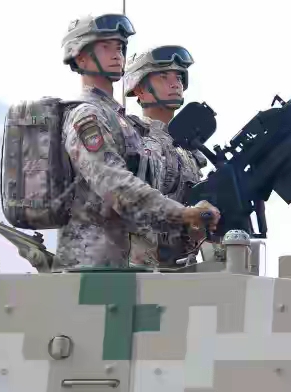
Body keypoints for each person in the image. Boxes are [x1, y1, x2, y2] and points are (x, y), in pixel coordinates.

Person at [55, 14, 219, 269]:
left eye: (119, 47)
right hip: (94, 266)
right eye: (105, 47)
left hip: (131, 265)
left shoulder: (123, 124)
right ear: (80, 57)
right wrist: (183, 214)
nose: (116, 55)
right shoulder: (87, 115)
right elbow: (115, 185)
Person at [122, 45, 208, 268]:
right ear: (140, 89)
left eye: (178, 77)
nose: (175, 83)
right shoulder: (130, 137)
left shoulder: (189, 150)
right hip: (136, 269)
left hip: (182, 267)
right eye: (163, 77)